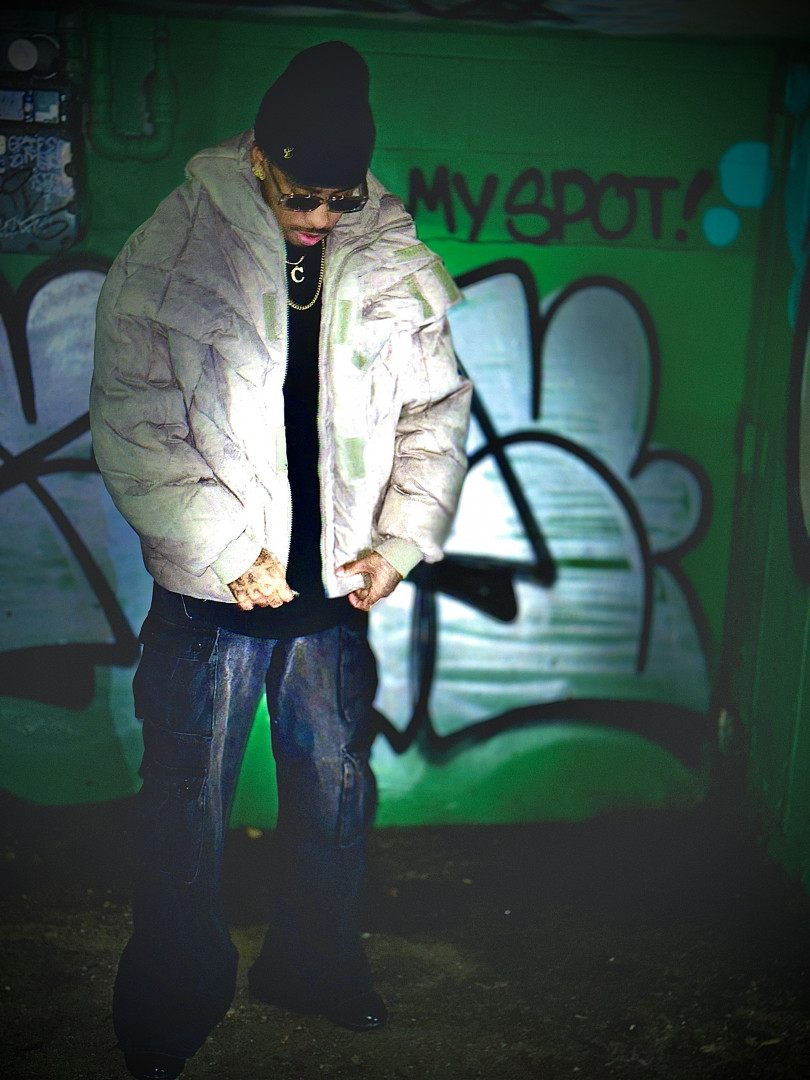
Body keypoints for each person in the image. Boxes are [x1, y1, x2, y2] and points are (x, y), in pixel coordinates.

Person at [90, 40, 472, 1080]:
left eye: (341, 199)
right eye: (304, 195)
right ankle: (169, 1009)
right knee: (184, 811)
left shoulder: (390, 251)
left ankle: (315, 968)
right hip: (211, 598)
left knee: (337, 797)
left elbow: (436, 415)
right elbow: (134, 424)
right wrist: (227, 552)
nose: (321, 218)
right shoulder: (172, 250)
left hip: (332, 598)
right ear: (259, 156)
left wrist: (398, 544)